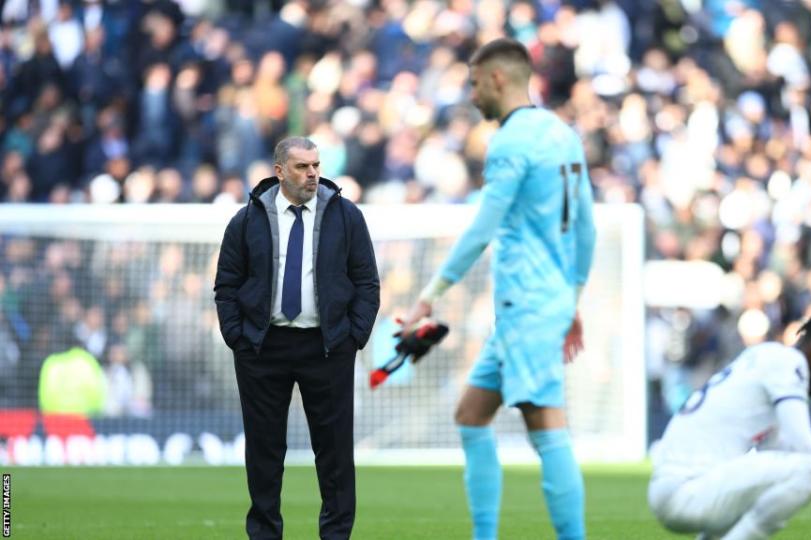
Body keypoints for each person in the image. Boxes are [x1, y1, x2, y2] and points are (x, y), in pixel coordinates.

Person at [400, 38, 596, 540]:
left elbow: (482, 227)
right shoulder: (563, 134)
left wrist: (429, 295)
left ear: (498, 79)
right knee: (471, 414)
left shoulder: (512, 142)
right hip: (538, 302)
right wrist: (571, 301)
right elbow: (586, 228)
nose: (470, 94)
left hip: (528, 303)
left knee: (545, 422)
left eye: (473, 82)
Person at [214, 136, 380, 540]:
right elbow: (227, 286)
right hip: (263, 348)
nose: (312, 175)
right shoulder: (247, 219)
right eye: (303, 167)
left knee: (335, 453)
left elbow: (367, 283)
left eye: (316, 166)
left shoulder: (346, 216)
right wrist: (239, 337)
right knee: (265, 452)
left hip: (326, 348)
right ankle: (265, 534)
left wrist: (352, 337)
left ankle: (336, 536)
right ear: (279, 171)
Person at [648, 312, 811, 540]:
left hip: (677, 488)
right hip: (689, 490)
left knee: (805, 468)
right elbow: (800, 438)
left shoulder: (764, 355)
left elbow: (775, 447)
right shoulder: (790, 363)